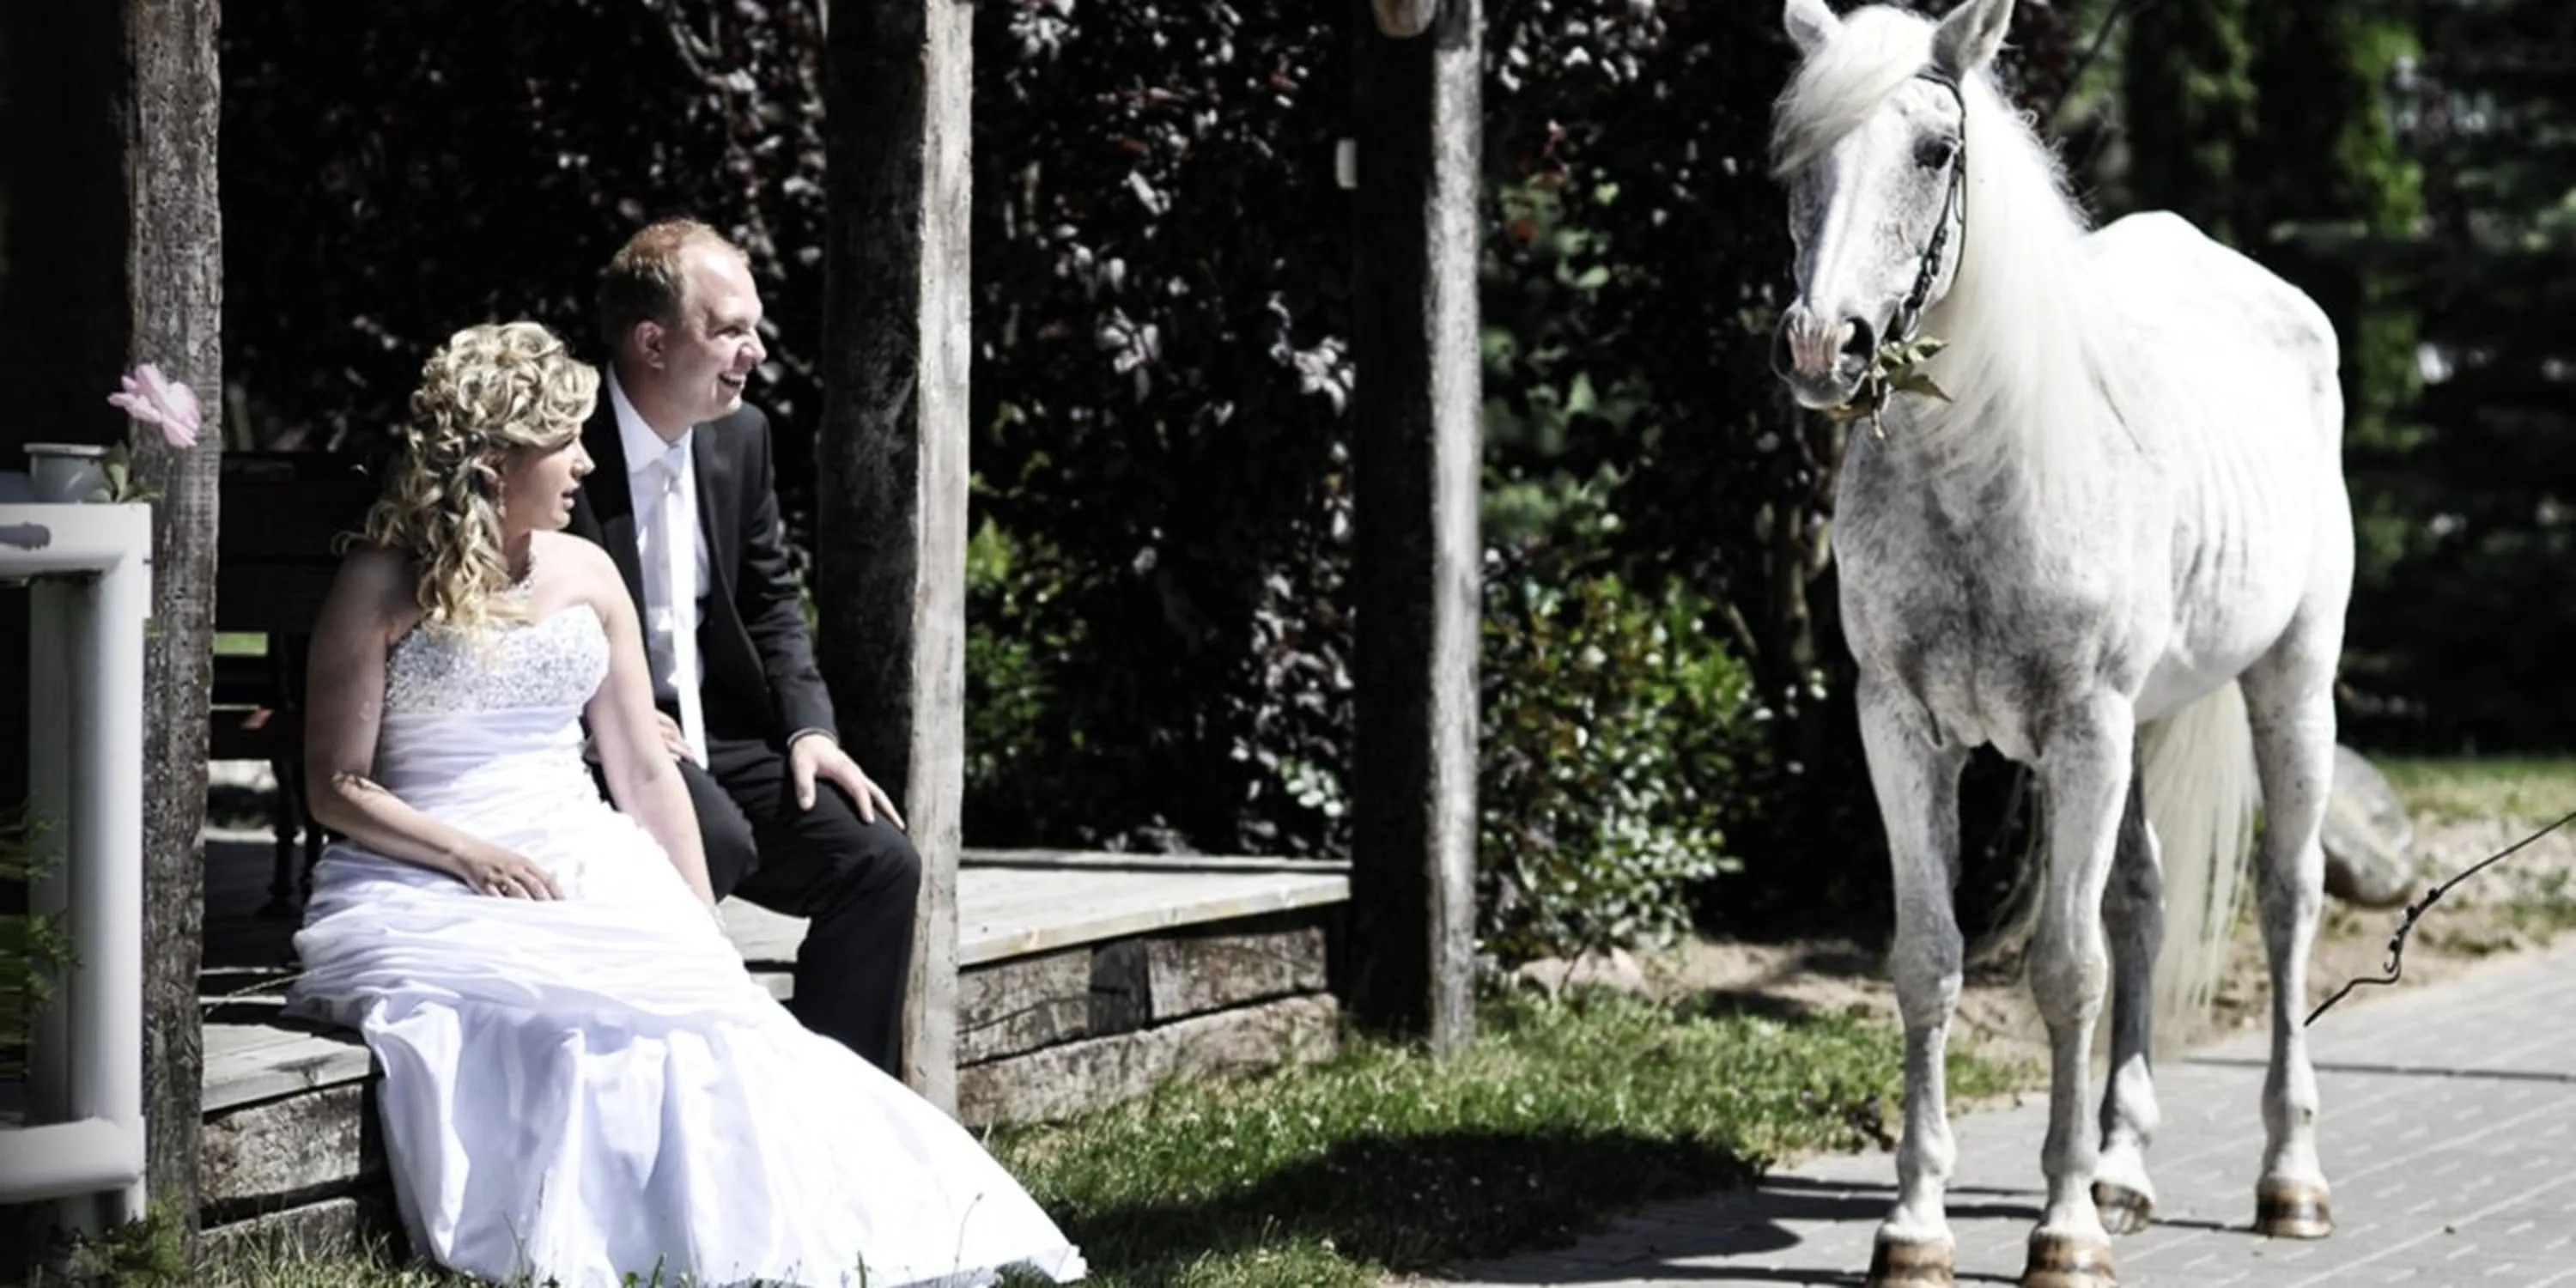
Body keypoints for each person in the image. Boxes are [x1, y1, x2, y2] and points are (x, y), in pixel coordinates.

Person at [288, 320, 1084, 1288]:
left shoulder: (586, 572)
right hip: (421, 865)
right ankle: (593, 1240)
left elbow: (645, 771)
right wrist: (465, 856)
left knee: (720, 1023)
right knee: (543, 1028)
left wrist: (698, 922)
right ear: (498, 459)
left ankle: (793, 1239)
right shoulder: (379, 579)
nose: (586, 462)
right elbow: (337, 787)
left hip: (578, 845)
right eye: (565, 441)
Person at [565, 217, 919, 1076]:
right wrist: (610, 722)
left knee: (878, 863)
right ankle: (677, 1073)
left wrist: (810, 731)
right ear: (653, 342)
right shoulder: (563, 438)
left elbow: (769, 602)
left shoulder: (740, 436)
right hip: (594, 739)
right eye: (729, 330)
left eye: (753, 327)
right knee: (711, 839)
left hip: (717, 732)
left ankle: (838, 1098)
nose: (755, 351)